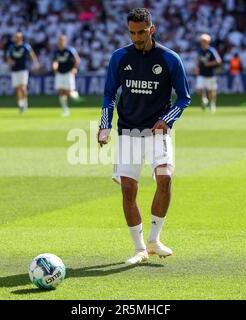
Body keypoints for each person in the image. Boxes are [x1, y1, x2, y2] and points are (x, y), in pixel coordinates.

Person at [97, 8, 191, 265]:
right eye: (132, 32)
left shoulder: (171, 59)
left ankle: (154, 239)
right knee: (128, 188)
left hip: (156, 130)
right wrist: (105, 125)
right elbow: (109, 94)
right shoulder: (119, 57)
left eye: (141, 32)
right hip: (128, 130)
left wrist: (167, 119)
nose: (136, 37)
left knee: (165, 177)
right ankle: (139, 248)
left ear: (152, 29)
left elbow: (184, 98)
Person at [7, 32, 40, 114]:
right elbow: (8, 57)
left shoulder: (25, 47)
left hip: (23, 69)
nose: (16, 39)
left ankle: (25, 101)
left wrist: (36, 63)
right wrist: (10, 62)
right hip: (14, 70)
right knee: (17, 88)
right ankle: (20, 105)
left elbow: (32, 55)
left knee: (22, 87)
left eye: (17, 37)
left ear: (21, 38)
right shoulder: (12, 47)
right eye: (15, 37)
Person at [52, 35, 81, 117]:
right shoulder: (56, 51)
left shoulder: (70, 50)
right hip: (60, 73)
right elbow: (55, 61)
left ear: (65, 42)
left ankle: (74, 94)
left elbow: (77, 60)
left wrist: (74, 69)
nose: (60, 42)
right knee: (61, 91)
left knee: (68, 91)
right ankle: (65, 109)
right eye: (59, 40)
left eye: (62, 40)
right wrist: (54, 66)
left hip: (68, 73)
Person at [195, 34, 222, 113]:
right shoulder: (200, 51)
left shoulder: (211, 51)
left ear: (207, 42)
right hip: (201, 73)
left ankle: (212, 104)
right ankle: (204, 99)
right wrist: (197, 67)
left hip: (210, 74)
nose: (202, 42)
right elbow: (199, 60)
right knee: (200, 88)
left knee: (211, 91)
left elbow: (218, 61)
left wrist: (209, 63)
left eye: (203, 41)